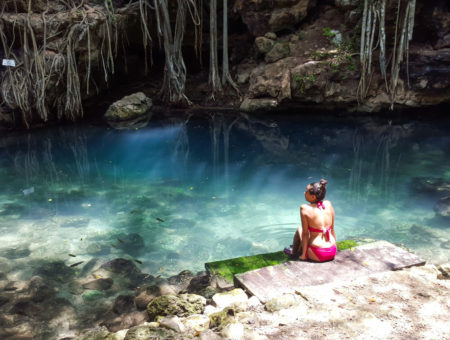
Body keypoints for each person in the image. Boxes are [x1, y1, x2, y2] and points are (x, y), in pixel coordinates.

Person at [284, 179, 337, 262]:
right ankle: (297, 250)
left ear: (313, 197)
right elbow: (332, 229)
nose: (304, 193)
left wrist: (304, 255)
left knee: (300, 229)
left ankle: (293, 252)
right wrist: (335, 247)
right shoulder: (328, 204)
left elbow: (305, 234)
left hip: (319, 253)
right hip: (332, 251)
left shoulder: (304, 208)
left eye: (306, 191)